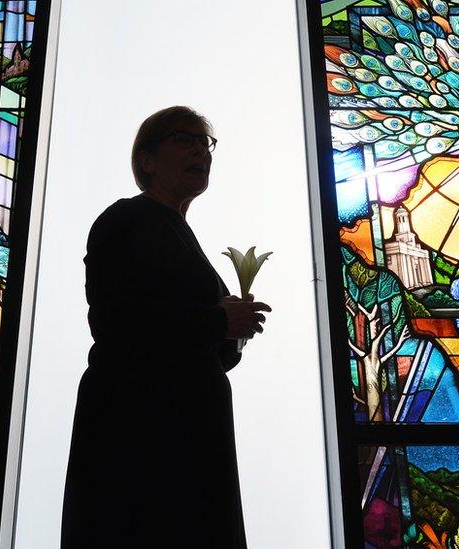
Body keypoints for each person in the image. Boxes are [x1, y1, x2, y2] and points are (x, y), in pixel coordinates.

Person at [61, 106, 271, 549]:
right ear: (147, 160)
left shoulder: (183, 236)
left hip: (191, 433)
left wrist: (230, 331)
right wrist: (218, 320)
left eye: (205, 143)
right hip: (141, 431)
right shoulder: (126, 219)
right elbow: (115, 320)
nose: (200, 151)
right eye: (184, 139)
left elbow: (200, 344)